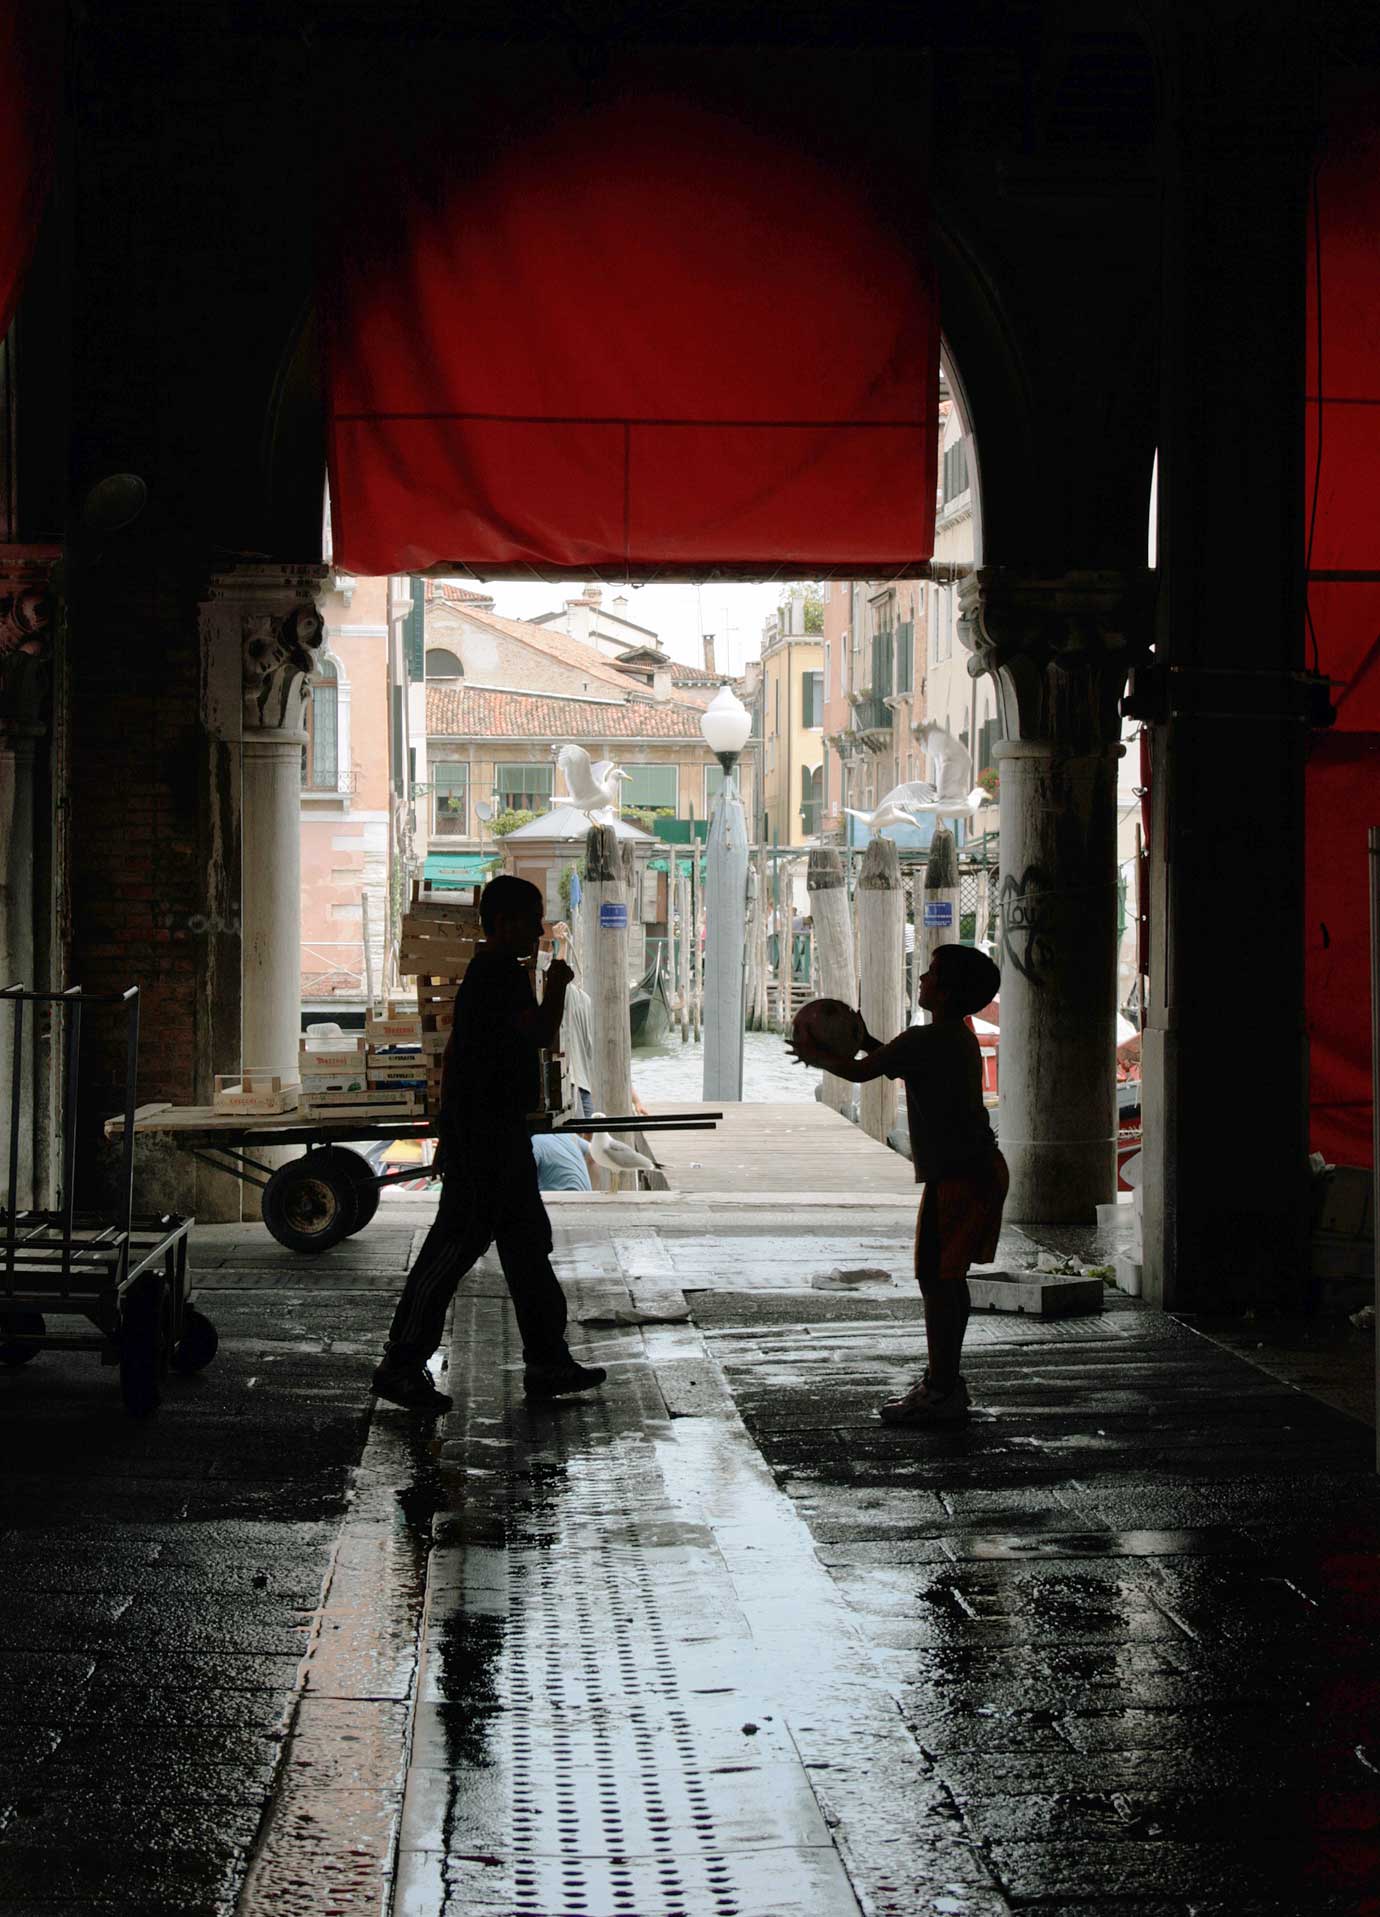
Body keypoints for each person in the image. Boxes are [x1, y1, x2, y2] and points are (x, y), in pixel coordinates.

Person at [372, 875, 607, 1412]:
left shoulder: (496, 972)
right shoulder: (497, 974)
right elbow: (538, 1035)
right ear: (506, 924)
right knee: (451, 1250)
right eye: (534, 919)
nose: (540, 930)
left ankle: (548, 1360)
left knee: (528, 1251)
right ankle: (401, 1365)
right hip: (485, 1143)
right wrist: (557, 989)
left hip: (499, 1137)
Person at [787, 943, 1007, 1426]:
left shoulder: (925, 1040)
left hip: (959, 1177)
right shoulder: (954, 1037)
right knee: (947, 1279)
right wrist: (864, 1039)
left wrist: (816, 1052)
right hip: (977, 1169)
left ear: (946, 992)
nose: (922, 980)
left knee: (938, 1278)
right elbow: (893, 1057)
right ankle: (944, 1381)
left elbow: (865, 1070)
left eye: (930, 974)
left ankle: (942, 1389)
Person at [531, 1128, 594, 1192]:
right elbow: (594, 1154)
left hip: (563, 1199)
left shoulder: (535, 1142)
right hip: (586, 1197)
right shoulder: (569, 1135)